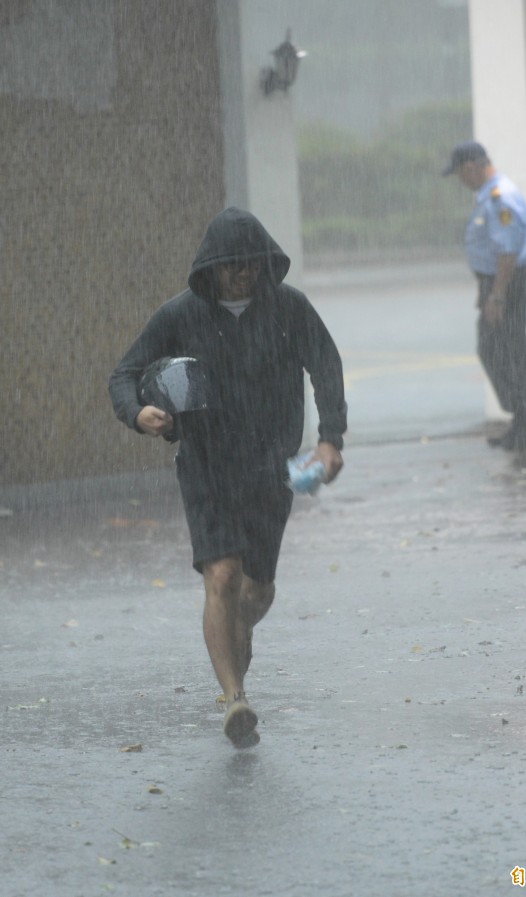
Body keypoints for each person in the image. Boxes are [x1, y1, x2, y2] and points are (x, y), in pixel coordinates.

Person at [109, 207, 347, 748]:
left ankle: (237, 632)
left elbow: (326, 365)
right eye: (235, 265)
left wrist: (331, 437)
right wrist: (138, 413)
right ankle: (235, 700)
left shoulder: (289, 309)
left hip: (272, 470)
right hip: (207, 466)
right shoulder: (179, 315)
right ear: (212, 268)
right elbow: (124, 375)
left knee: (255, 590)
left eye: (254, 263)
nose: (245, 273)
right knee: (221, 577)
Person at [443, 141, 526, 453]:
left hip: (509, 283)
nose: (461, 180)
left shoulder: (500, 198)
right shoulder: (489, 195)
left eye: (460, 174)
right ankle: (524, 420)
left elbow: (507, 251)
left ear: (471, 167)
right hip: (499, 283)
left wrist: (497, 295)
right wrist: (485, 291)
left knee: (504, 349)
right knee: (501, 349)